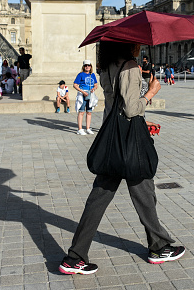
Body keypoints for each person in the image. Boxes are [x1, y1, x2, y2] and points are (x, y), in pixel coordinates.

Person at [59, 41, 184, 275]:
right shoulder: (129, 66)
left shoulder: (106, 67)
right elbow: (129, 108)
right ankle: (158, 247)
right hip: (129, 143)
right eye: (136, 43)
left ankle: (75, 256)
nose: (139, 46)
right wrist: (151, 93)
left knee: (103, 198)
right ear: (129, 45)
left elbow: (115, 106)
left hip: (112, 138)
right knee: (144, 192)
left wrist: (140, 120)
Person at [73, 60, 98, 135]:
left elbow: (96, 84)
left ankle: (88, 128)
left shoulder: (92, 75)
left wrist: (94, 88)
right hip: (83, 93)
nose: (87, 67)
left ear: (91, 67)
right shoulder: (80, 75)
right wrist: (83, 92)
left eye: (89, 65)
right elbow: (75, 85)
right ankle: (80, 129)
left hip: (90, 94)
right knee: (81, 112)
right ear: (83, 66)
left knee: (89, 112)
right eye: (86, 65)